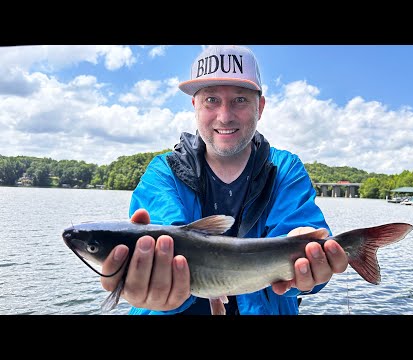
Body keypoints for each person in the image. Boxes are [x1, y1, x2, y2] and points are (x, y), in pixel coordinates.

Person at [100, 45, 348, 315]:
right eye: (211, 100)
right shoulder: (164, 171)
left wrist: (311, 268)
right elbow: (166, 238)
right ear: (195, 105)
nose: (225, 115)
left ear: (260, 106)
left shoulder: (285, 169)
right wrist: (162, 293)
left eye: (240, 99)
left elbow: (301, 237)